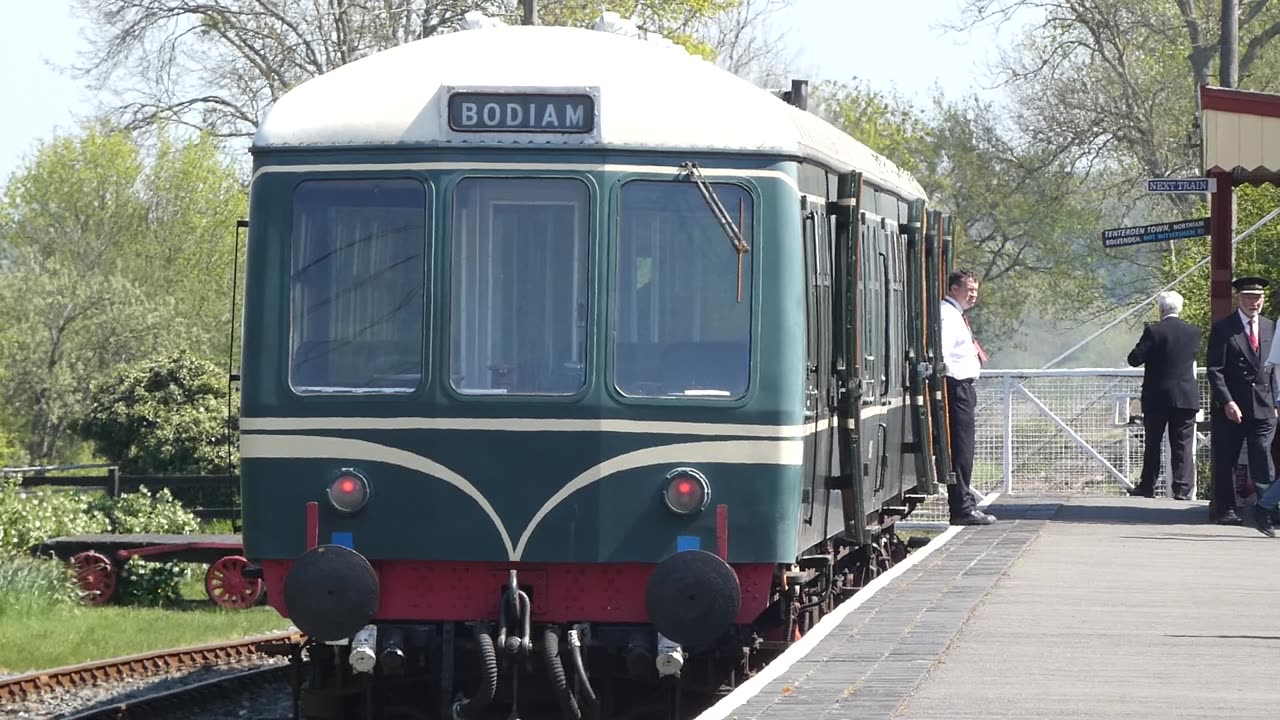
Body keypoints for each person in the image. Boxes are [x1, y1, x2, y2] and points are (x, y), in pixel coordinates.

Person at [1206, 276, 1276, 526]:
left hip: (1264, 405)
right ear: (1239, 299)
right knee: (1227, 460)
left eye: (1257, 298)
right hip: (1232, 408)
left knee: (1262, 457)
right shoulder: (1224, 328)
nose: (1253, 302)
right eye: (1248, 297)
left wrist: (1276, 402)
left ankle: (1266, 508)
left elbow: (1274, 367)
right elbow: (1215, 369)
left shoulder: (1270, 327)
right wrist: (1227, 401)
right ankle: (1225, 509)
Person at [1125, 291, 1201, 500]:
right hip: (1185, 396)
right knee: (1183, 445)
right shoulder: (1194, 332)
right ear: (1181, 309)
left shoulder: (1153, 331)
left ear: (1161, 310)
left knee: (1153, 443)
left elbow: (1134, 359)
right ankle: (1183, 490)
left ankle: (1147, 486)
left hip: (1157, 397)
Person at [940, 269, 996, 526]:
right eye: (969, 289)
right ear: (954, 289)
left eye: (975, 290)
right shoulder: (948, 315)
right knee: (961, 449)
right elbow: (942, 354)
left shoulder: (957, 315)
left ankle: (964, 502)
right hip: (955, 387)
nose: (974, 295)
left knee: (965, 448)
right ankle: (962, 507)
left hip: (963, 388)